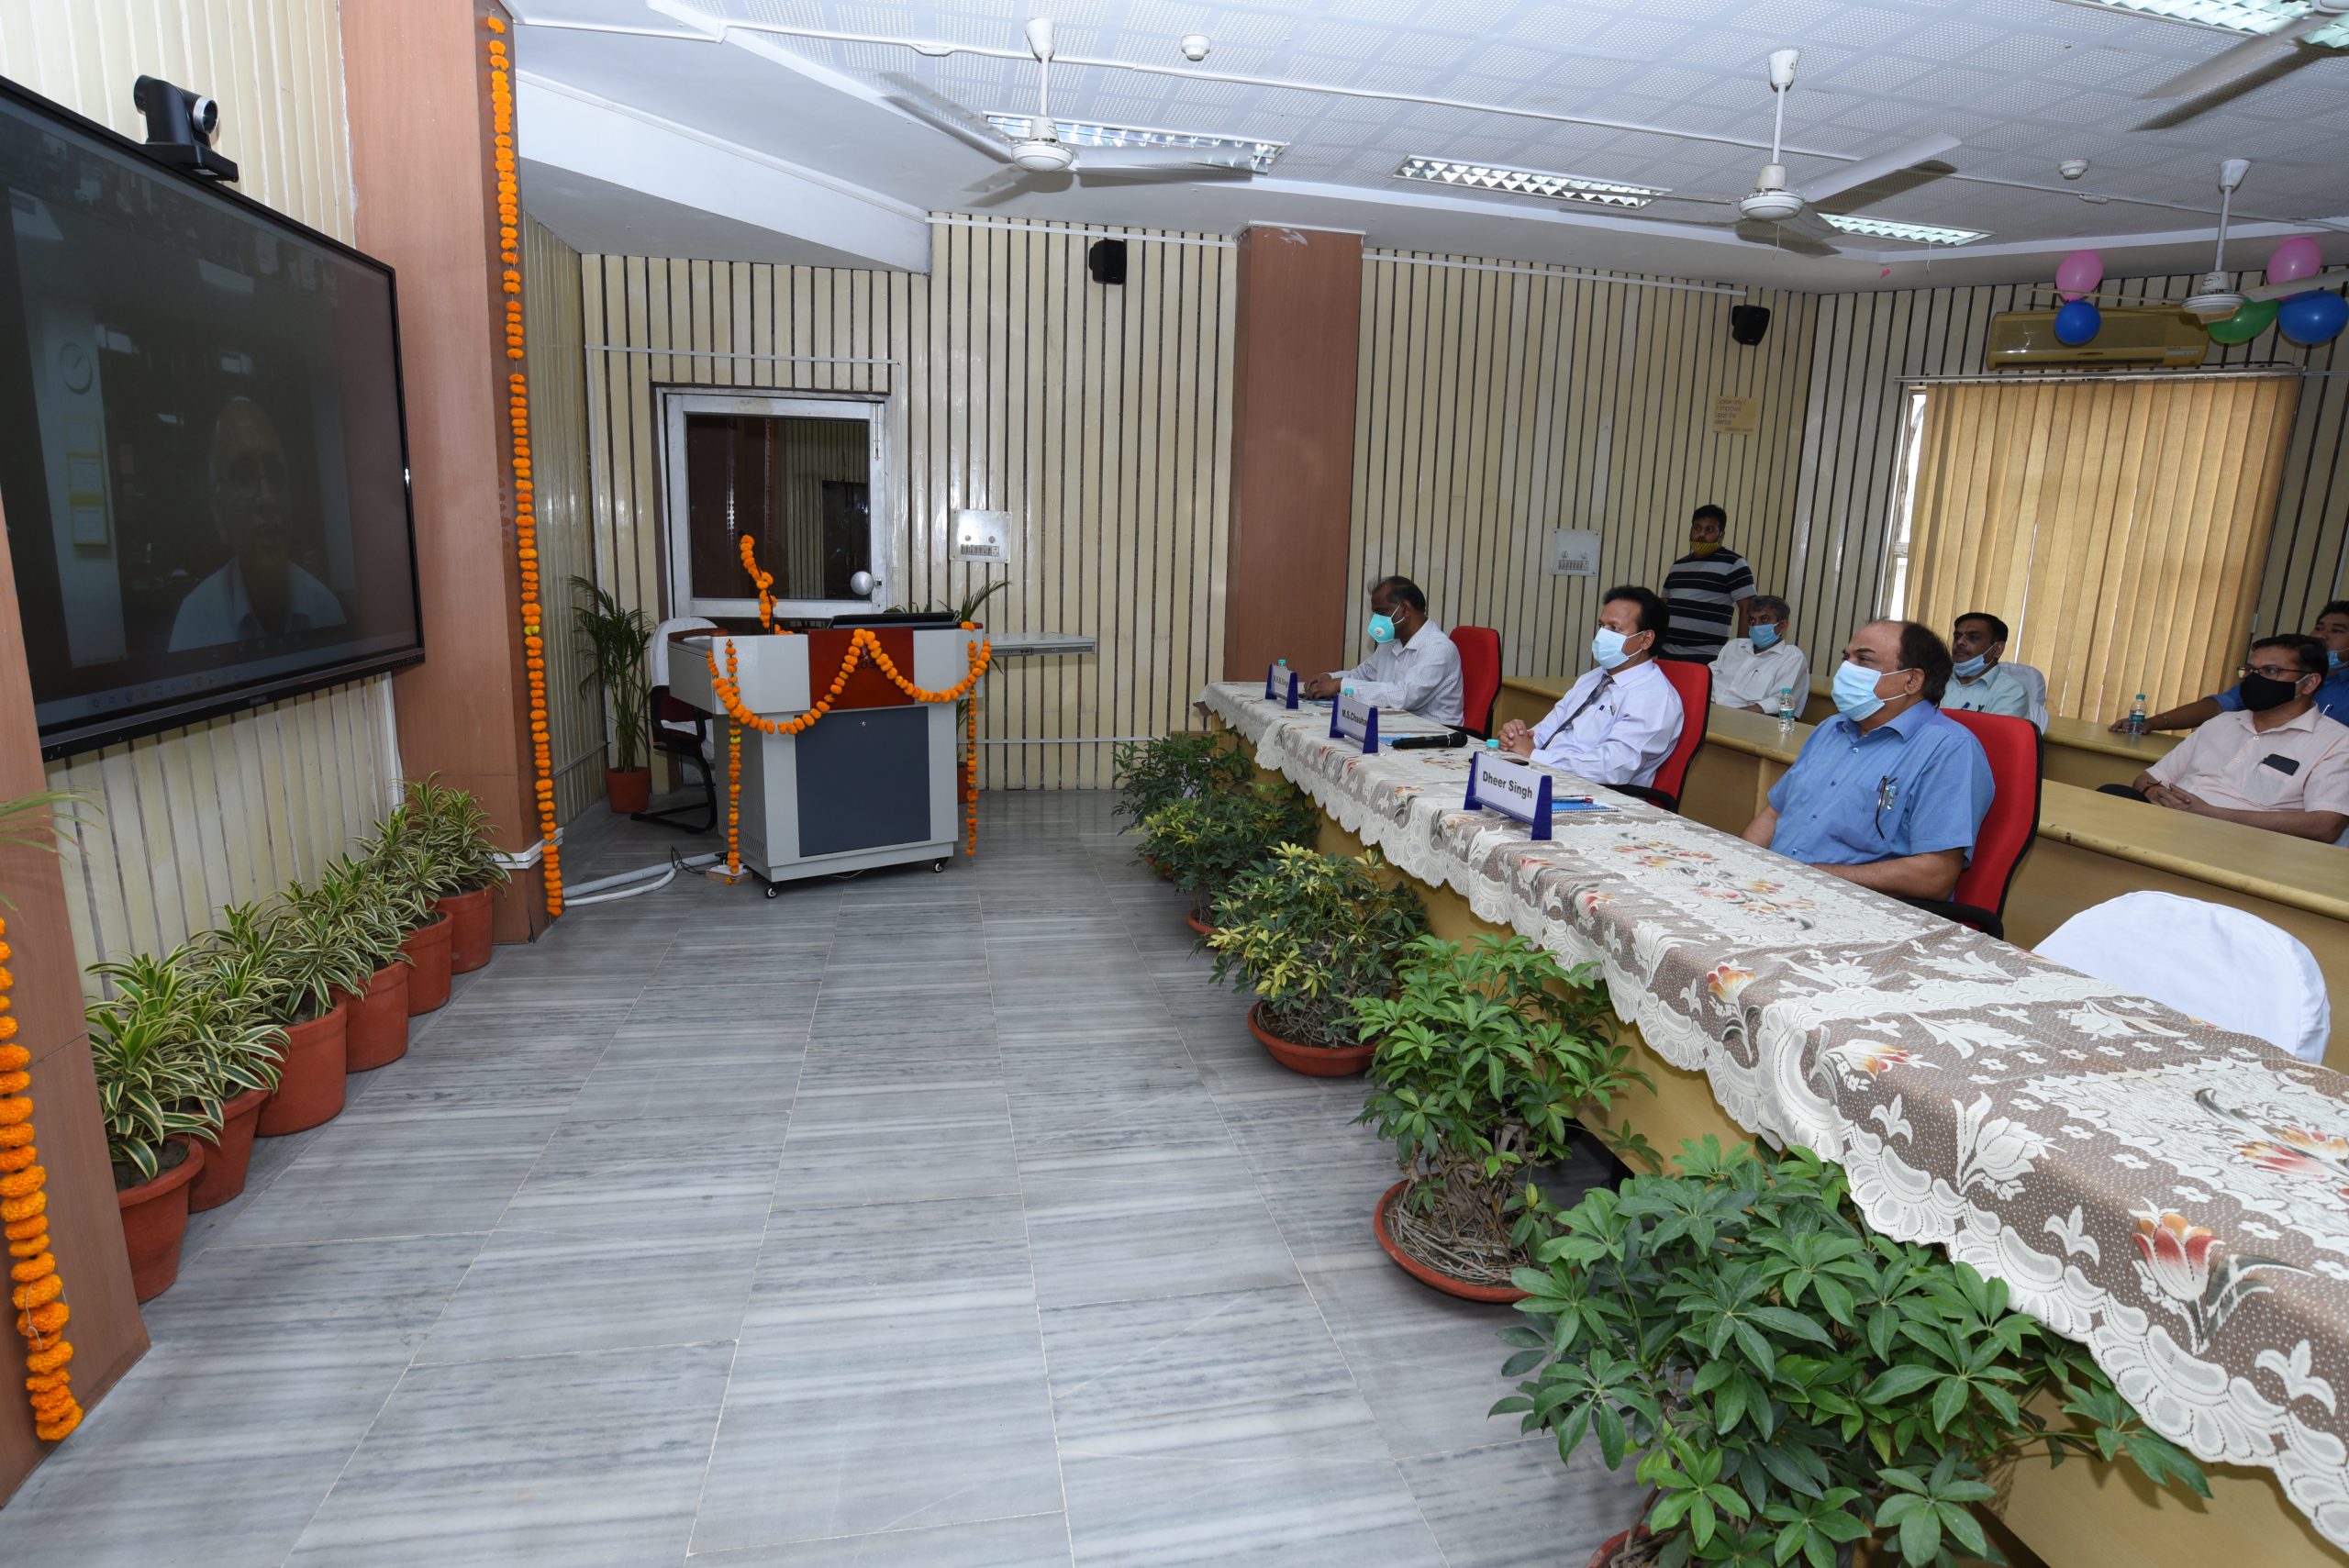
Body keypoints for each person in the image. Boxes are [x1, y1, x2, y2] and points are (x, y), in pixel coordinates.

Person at [1742, 619, 1993, 901]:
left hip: (1844, 902)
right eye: (1846, 658)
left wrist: (1810, 876)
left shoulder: (1949, 749)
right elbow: (1774, 813)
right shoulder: (1831, 728)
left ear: (1912, 680)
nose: (1846, 669)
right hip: (1772, 889)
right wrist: (1740, 866)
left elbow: (1935, 876)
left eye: (1863, 660)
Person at [2102, 634, 2349, 844]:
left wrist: (2210, 813)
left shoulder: (2336, 742)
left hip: (2243, 843)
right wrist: (2154, 790)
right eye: (2250, 670)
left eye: (2270, 671)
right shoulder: (2221, 723)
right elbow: (2148, 777)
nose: (2252, 679)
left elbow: (2325, 825)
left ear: (2309, 683)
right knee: (2112, 796)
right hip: (2169, 824)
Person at [169, 397, 347, 652]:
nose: (268, 498)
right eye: (244, 476)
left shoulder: (326, 609)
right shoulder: (194, 622)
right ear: (218, 513)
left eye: (276, 474)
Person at [1496, 585, 1683, 787]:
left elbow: (1613, 767)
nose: (1602, 635)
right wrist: (1517, 738)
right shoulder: (1594, 677)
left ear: (1645, 639)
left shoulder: (1655, 698)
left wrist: (1534, 755)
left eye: (1614, 628)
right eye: (1602, 626)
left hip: (1596, 793)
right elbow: (1548, 730)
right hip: (1547, 776)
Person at [2121, 601, 2349, 732]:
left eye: (2337, 631)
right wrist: (2152, 723)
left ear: (2311, 684)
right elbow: (2219, 705)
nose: (2322, 636)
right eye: (2319, 628)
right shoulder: (2280, 676)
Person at [1300, 575, 1464, 727]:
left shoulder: (1438, 648)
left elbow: (1404, 696)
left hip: (1436, 734)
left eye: (1381, 612)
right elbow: (1362, 675)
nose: (1376, 620)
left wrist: (1340, 685)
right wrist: (1329, 678)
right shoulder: (1391, 643)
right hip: (1398, 726)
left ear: (1405, 609)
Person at [1659, 503, 1755, 664]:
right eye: (1697, 528)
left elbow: (1748, 608)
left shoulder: (1734, 563)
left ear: (1721, 534)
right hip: (1667, 653)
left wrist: (1740, 653)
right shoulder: (1678, 566)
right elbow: (1663, 606)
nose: (1701, 535)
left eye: (1709, 530)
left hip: (1706, 657)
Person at [1710, 595, 1809, 714]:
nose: (1756, 626)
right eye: (1752, 620)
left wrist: (1733, 715)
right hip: (1710, 712)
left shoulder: (1791, 657)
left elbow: (1780, 701)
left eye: (1764, 619)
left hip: (1747, 719)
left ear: (1782, 625)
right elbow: (1708, 679)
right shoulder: (1734, 646)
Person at [1942, 612, 2032, 721]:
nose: (1960, 642)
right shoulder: (1936, 677)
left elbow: (1996, 731)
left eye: (1972, 637)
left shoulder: (2011, 692)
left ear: (1997, 649)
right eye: (1957, 637)